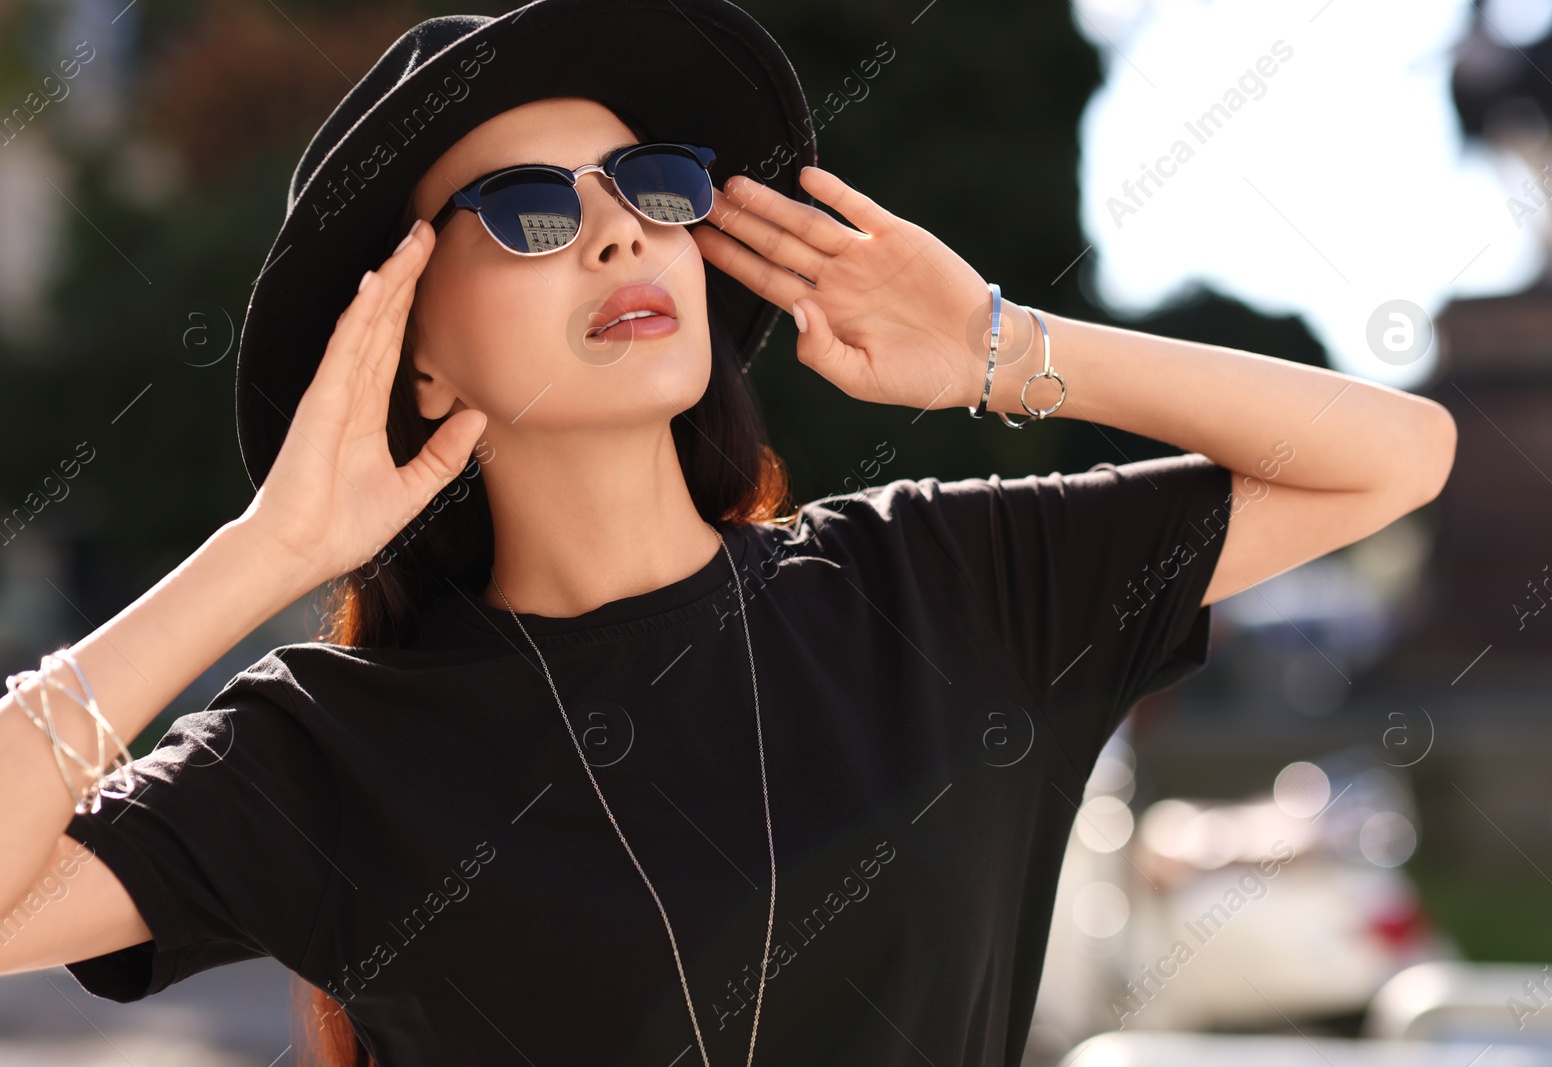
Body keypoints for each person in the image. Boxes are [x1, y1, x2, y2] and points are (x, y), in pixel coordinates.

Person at [0, 0, 1457, 1064]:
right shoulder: (328, 749)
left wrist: (1004, 348)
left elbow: (1393, 458)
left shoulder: (933, 584)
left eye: (652, 187)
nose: (623, 231)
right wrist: (265, 552)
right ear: (414, 351)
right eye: (522, 212)